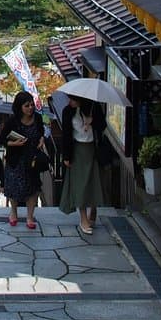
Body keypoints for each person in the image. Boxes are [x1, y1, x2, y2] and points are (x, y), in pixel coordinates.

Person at [59, 95, 106, 235]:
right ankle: (83, 218)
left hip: (93, 148)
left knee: (94, 180)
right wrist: (66, 156)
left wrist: (92, 121)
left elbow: (103, 126)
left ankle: (94, 207)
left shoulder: (93, 108)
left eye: (73, 100)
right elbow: (66, 134)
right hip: (77, 149)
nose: (70, 102)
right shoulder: (68, 111)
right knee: (81, 184)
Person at [0, 91, 46, 227]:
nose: (30, 108)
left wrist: (42, 139)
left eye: (32, 105)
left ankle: (30, 217)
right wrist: (14, 143)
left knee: (33, 188)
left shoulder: (37, 118)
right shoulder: (12, 121)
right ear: (20, 107)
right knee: (14, 189)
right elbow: (2, 139)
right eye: (27, 105)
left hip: (32, 160)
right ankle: (13, 212)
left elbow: (41, 132)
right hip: (16, 159)